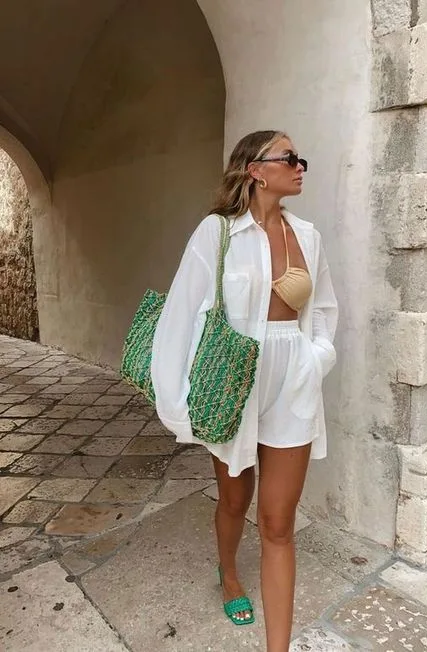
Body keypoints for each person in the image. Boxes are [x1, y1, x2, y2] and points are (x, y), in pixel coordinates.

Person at [151, 130, 338, 652]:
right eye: (289, 158)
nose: (300, 165)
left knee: (279, 524)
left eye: (300, 158)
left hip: (293, 379)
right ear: (256, 169)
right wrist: (179, 398)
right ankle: (229, 572)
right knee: (236, 499)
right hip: (236, 376)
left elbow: (322, 310)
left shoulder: (309, 235)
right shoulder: (219, 233)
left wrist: (315, 358)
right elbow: (183, 312)